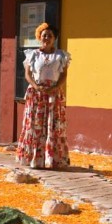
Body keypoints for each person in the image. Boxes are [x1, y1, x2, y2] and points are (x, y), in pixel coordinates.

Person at [16, 22, 71, 169]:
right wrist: (37, 87)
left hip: (53, 94)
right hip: (36, 94)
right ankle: (34, 159)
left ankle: (53, 160)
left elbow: (64, 75)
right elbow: (28, 74)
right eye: (44, 35)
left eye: (50, 36)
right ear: (39, 37)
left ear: (54, 38)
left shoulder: (61, 55)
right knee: (35, 124)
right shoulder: (32, 54)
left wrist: (56, 87)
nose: (46, 38)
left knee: (53, 124)